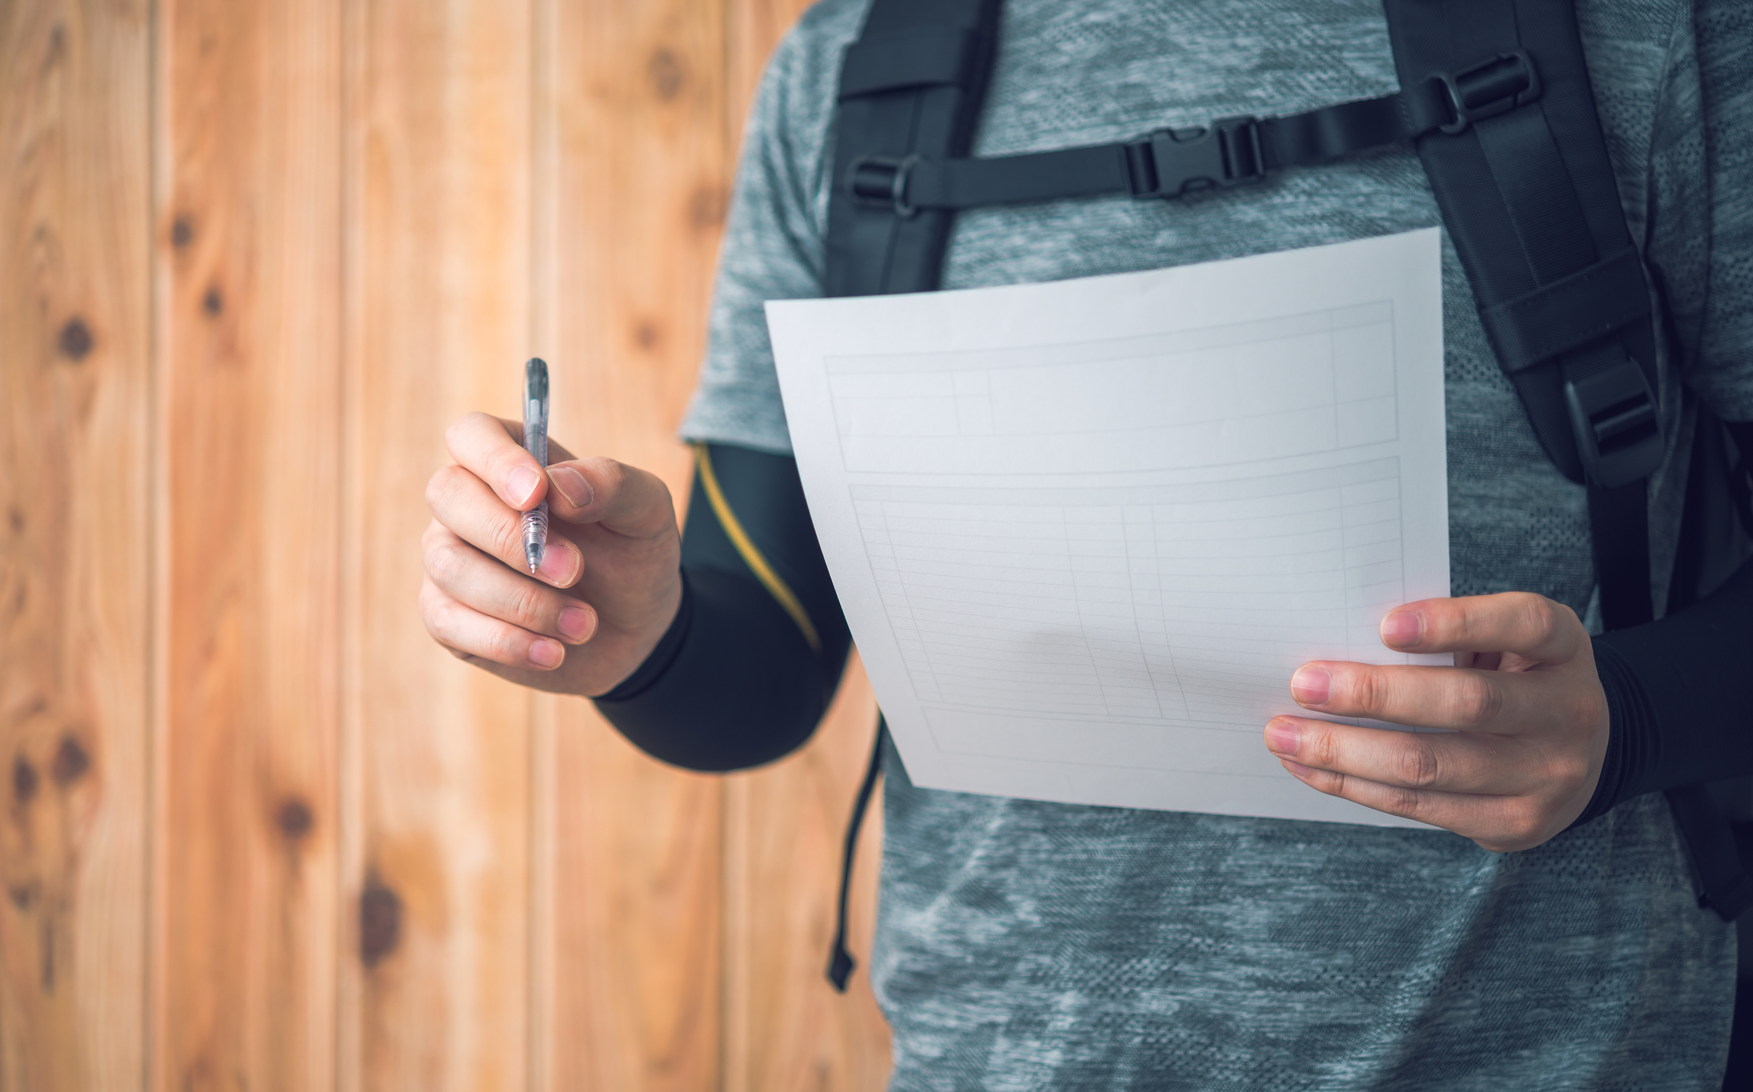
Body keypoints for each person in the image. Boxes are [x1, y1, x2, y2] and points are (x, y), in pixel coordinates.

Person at [422, 0, 1751, 1086]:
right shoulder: (856, 68)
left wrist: (1624, 721)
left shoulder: (1653, 33)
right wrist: (631, 627)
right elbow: (761, 675)